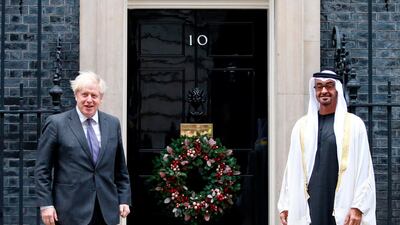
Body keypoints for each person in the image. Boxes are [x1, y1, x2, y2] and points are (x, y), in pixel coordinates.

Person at [277, 70, 376, 225]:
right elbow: (292, 169)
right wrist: (286, 203)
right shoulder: (301, 127)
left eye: (329, 86)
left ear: (337, 90)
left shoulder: (354, 125)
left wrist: (358, 206)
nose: (324, 91)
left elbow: (365, 170)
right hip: (310, 206)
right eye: (319, 86)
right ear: (314, 90)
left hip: (342, 204)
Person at [35, 71, 132, 225]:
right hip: (69, 210)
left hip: (106, 210)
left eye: (94, 95)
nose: (89, 100)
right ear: (76, 96)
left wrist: (124, 199)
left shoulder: (113, 124)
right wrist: (46, 204)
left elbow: (120, 168)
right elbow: (42, 169)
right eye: (84, 95)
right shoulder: (56, 124)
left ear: (101, 98)